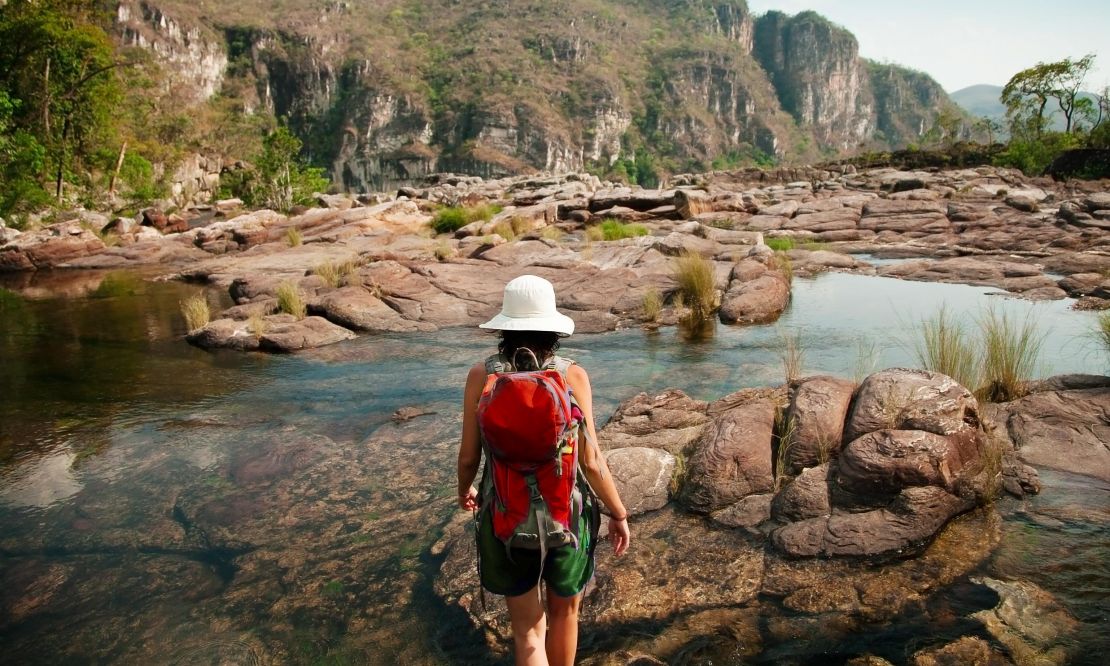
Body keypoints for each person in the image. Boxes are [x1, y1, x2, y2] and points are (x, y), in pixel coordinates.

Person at [457, 274, 631, 666]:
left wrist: (464, 489)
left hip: (505, 516)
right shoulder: (572, 376)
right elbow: (591, 461)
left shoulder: (481, 376)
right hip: (566, 517)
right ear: (553, 329)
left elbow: (469, 456)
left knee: (527, 631)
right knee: (565, 615)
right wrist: (618, 513)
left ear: (504, 326)